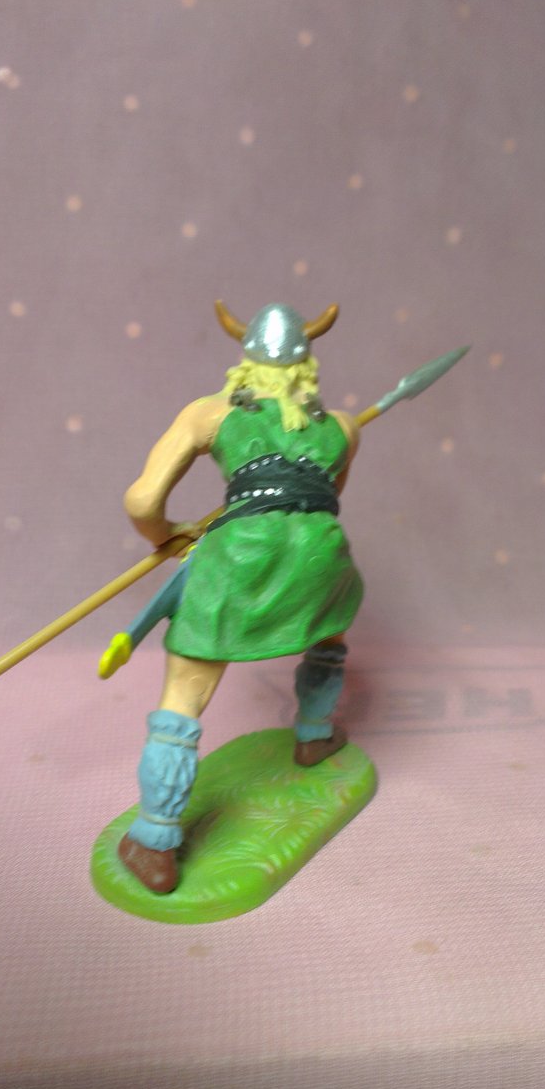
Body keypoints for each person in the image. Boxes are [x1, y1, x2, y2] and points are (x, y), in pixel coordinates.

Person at [115, 300, 364, 894]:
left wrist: (165, 535)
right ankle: (314, 733)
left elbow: (142, 501)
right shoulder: (343, 427)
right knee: (329, 622)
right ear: (307, 365)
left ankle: (153, 840)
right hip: (320, 557)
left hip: (242, 560)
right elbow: (325, 499)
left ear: (244, 361)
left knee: (185, 691)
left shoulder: (209, 413)